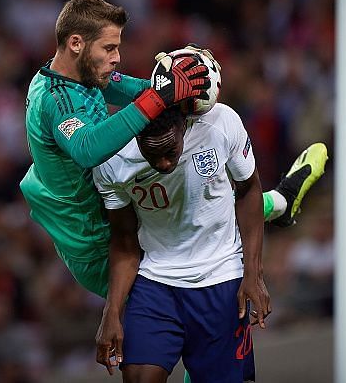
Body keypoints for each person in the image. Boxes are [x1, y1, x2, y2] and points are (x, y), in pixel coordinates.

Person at [19, 0, 211, 298]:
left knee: (196, 194)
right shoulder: (56, 99)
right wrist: (160, 98)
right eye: (109, 48)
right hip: (96, 242)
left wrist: (176, 89)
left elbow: (136, 91)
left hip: (112, 211)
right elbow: (87, 149)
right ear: (76, 43)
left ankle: (275, 204)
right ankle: (271, 206)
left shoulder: (81, 71)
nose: (117, 57)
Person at [93, 102, 269, 382]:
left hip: (220, 277)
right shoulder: (112, 159)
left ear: (182, 128)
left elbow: (249, 188)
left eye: (169, 151)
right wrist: (111, 311)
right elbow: (125, 241)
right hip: (156, 281)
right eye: (153, 154)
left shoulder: (219, 123)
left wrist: (253, 272)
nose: (163, 163)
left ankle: (282, 201)